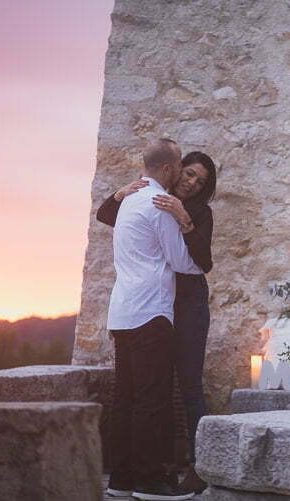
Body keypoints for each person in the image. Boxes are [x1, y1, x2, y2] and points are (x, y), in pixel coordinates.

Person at [99, 151, 216, 497]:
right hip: (156, 306)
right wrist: (120, 193)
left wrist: (185, 220)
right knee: (151, 392)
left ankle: (196, 467)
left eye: (200, 181)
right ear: (174, 169)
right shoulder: (144, 200)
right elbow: (107, 215)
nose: (191, 182)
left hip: (187, 304)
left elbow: (203, 261)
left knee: (189, 385)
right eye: (189, 172)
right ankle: (150, 473)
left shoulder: (197, 212)